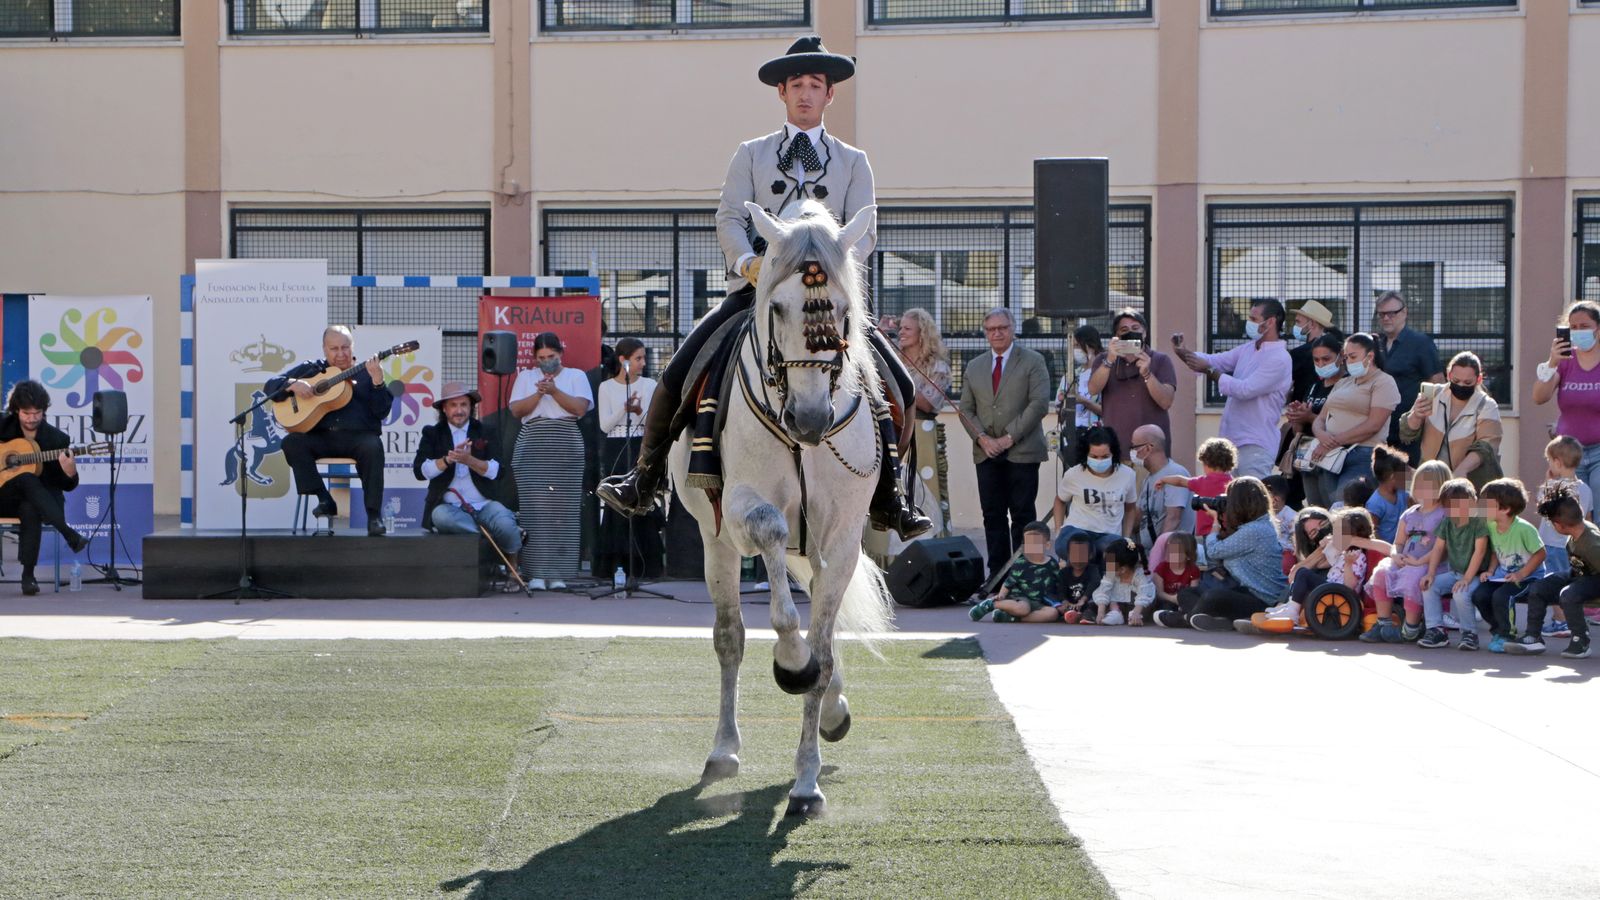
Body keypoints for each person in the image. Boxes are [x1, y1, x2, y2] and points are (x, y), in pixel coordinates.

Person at [596, 35, 930, 541]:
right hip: (756, 294)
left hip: (826, 300)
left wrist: (833, 278)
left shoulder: (853, 161)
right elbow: (729, 217)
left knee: (898, 385)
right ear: (781, 92)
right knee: (679, 372)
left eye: (815, 85)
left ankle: (891, 497)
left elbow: (866, 233)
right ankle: (644, 478)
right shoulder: (750, 154)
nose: (805, 94)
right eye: (796, 85)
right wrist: (749, 263)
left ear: (829, 95)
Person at [264, 325, 394, 536]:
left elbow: (382, 412)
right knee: (292, 442)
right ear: (324, 349)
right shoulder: (313, 370)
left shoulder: (368, 372)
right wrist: (292, 384)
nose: (341, 354)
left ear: (353, 347)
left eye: (345, 347)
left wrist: (378, 382)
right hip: (321, 437)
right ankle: (324, 499)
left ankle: (373, 516)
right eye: (334, 349)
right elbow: (270, 386)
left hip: (358, 438)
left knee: (373, 447)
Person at [961, 306, 1052, 582]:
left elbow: (1039, 404)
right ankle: (997, 575)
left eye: (1002, 328)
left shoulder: (1033, 360)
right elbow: (966, 409)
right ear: (985, 333)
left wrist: (1008, 437)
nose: (997, 333)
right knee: (993, 515)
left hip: (1022, 451)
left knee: (1023, 515)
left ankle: (1028, 573)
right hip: (986, 452)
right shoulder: (974, 366)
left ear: (1013, 329)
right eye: (991, 329)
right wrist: (983, 438)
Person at [508, 331, 594, 591]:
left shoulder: (576, 376)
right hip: (534, 443)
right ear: (534, 358)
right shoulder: (526, 377)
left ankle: (559, 571)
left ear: (561, 354)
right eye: (541, 357)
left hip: (565, 443)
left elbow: (580, 408)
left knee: (563, 511)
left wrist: (554, 391)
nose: (546, 361)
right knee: (535, 511)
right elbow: (516, 410)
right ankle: (535, 571)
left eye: (551, 356)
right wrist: (539, 394)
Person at [1173, 298, 1293, 479]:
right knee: (1228, 503)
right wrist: (1184, 352)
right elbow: (1215, 361)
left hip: (1255, 445)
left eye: (1254, 319)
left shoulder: (1280, 358)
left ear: (1270, 322)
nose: (1249, 323)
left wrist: (1209, 370)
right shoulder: (1248, 348)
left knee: (1251, 504)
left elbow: (1245, 390)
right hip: (1231, 442)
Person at [1154, 477, 1288, 631]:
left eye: (1231, 499)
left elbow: (1214, 551)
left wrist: (1215, 525)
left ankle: (1185, 618)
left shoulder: (1254, 530)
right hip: (1243, 590)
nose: (1228, 505)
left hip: (1262, 599)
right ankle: (1215, 620)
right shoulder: (1255, 525)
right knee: (1186, 593)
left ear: (1241, 502)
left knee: (1213, 596)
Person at [0, 381, 88, 595]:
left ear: (44, 411)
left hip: (39, 503)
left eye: (37, 413)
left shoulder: (56, 439)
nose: (32, 418)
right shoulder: (2, 426)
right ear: (16, 411)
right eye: (26, 413)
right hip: (3, 497)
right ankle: (69, 534)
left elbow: (66, 486)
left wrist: (70, 472)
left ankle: (28, 576)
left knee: (30, 504)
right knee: (26, 478)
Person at [412, 381, 520, 557]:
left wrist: (469, 460)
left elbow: (498, 471)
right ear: (444, 409)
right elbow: (420, 471)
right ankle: (489, 540)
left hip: (485, 503)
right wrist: (448, 460)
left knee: (507, 526)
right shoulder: (432, 433)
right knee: (441, 517)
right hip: (450, 507)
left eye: (464, 405)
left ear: (471, 408)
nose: (459, 410)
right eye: (453, 405)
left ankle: (512, 570)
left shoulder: (486, 431)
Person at [594, 339, 664, 579]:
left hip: (640, 446)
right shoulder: (606, 387)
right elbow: (604, 425)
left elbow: (654, 421)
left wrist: (638, 412)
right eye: (638, 359)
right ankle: (615, 564)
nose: (643, 363)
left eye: (644, 358)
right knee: (616, 502)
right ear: (623, 361)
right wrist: (624, 409)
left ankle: (646, 565)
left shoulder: (649, 384)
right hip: (616, 445)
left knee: (641, 499)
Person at [1360, 461, 1449, 644]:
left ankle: (1411, 627)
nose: (1423, 488)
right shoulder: (1409, 514)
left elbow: (1442, 548)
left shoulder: (1444, 514)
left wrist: (1418, 562)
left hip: (1431, 564)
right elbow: (1398, 542)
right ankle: (1383, 623)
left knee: (1412, 576)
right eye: (1420, 484)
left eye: (1429, 485)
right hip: (1406, 561)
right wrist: (1395, 555)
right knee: (1381, 572)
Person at [1307, 334, 1400, 504]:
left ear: (1370, 356)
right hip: (1329, 454)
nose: (1348, 361)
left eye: (1353, 356)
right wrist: (1321, 435)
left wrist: (1332, 441)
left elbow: (1373, 425)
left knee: (1345, 507)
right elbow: (1320, 419)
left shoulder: (1384, 382)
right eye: (1346, 357)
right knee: (1323, 510)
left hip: (1361, 454)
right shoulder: (1343, 383)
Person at [1508, 484, 1598, 658]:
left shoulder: (1592, 544)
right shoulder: (1577, 528)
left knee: (1568, 595)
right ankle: (1533, 637)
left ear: (1559, 525)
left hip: (1595, 579)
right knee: (1539, 588)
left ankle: (1581, 641)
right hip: (1580, 574)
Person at [1398, 351, 1502, 491]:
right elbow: (1406, 434)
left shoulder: (1487, 405)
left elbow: (1486, 446)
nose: (1461, 386)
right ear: (1448, 375)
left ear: (1479, 380)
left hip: (1467, 486)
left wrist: (1461, 471)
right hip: (1430, 483)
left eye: (1468, 382)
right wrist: (1416, 415)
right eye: (1456, 381)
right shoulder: (1433, 394)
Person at [1469, 478, 1547, 654]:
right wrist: (1490, 571)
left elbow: (1541, 553)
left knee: (1502, 596)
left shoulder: (1524, 529)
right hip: (1503, 575)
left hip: (1529, 577)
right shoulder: (1491, 525)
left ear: (1504, 509)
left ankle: (1507, 635)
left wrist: (1521, 574)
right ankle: (1498, 630)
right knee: (1480, 595)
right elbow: (1497, 551)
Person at [1534, 300, 1600, 505]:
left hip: (1599, 451)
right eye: (1573, 327)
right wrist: (1552, 362)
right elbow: (1539, 396)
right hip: (1569, 454)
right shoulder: (1565, 361)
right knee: (1570, 514)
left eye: (1585, 327)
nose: (1578, 332)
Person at [1084, 309, 1177, 453]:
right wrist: (1109, 361)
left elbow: (1166, 401)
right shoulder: (1103, 360)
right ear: (1117, 336)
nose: (1130, 333)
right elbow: (1092, 389)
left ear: (1144, 332)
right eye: (1124, 329)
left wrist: (1147, 374)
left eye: (1135, 328)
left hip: (1151, 453)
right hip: (1116, 450)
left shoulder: (1160, 360)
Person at [897, 307, 953, 537]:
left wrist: (897, 381)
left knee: (923, 493)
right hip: (895, 433)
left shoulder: (937, 367)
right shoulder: (895, 360)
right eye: (900, 327)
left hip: (921, 435)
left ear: (922, 333)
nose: (901, 332)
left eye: (907, 328)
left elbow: (928, 402)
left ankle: (930, 542)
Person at [1372, 291, 1444, 465]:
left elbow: (1438, 383)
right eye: (1382, 314)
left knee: (1407, 483)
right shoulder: (1375, 343)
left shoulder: (1420, 343)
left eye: (1392, 313)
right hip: (1379, 430)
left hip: (1410, 432)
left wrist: (1428, 423)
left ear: (1404, 312)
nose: (1386, 318)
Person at [1418, 479, 1491, 650]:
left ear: (1472, 501)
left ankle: (1469, 634)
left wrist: (1466, 579)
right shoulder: (1447, 523)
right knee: (1429, 586)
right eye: (1450, 506)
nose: (1455, 510)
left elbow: (1479, 552)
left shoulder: (1479, 522)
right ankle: (1435, 630)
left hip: (1476, 575)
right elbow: (1437, 549)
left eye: (1461, 504)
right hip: (1456, 573)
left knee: (1460, 593)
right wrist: (1431, 573)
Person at [1533, 436, 1592, 642]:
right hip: (1572, 545)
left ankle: (1561, 621)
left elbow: (1541, 508)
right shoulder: (1584, 488)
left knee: (1551, 581)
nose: (1548, 465)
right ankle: (1565, 619)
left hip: (1551, 544)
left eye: (1549, 461)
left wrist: (1547, 482)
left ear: (1557, 462)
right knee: (1566, 579)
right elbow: (1588, 518)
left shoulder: (1553, 488)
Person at [1050, 425, 1138, 560]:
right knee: (1077, 547)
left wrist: (1125, 537)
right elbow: (1060, 500)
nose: (1099, 461)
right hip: (1077, 529)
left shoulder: (1128, 475)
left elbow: (1130, 508)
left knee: (1115, 553)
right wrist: (1058, 530)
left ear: (1113, 453)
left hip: (1109, 534)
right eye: (1094, 456)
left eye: (1105, 456)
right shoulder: (1074, 474)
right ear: (1086, 454)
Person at [1283, 334, 1345, 508]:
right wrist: (1297, 417)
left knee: (1332, 508)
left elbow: (1341, 423)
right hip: (1308, 455)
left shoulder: (1347, 385)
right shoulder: (1314, 386)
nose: (1321, 364)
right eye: (1316, 360)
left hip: (1333, 456)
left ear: (1340, 356)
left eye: (1326, 359)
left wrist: (1310, 417)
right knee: (1315, 509)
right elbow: (1299, 431)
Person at [968, 521, 1061, 624]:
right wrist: (1001, 596)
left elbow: (1057, 582)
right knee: (1023, 609)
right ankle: (992, 604)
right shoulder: (1021, 563)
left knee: (1052, 614)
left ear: (1047, 545)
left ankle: (1009, 618)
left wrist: (1060, 602)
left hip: (1042, 602)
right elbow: (1009, 582)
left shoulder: (1052, 563)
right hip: (1020, 598)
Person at [1154, 437, 1235, 542]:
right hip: (1229, 532)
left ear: (1206, 463)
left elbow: (1180, 481)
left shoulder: (1202, 482)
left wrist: (1163, 479)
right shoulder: (1233, 484)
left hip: (1206, 533)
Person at [1132, 424, 1194, 552]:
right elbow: (1138, 516)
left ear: (1148, 448)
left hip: (1169, 556)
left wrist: (1158, 552)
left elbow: (1173, 519)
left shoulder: (1175, 473)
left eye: (1134, 447)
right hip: (1149, 554)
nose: (1132, 452)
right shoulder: (1148, 479)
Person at [1057, 324, 1104, 470]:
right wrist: (1062, 405)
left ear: (1091, 345)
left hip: (1096, 439)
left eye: (1078, 345)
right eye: (1073, 346)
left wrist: (1083, 401)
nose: (1075, 350)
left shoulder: (1105, 373)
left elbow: (1109, 411)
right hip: (1071, 437)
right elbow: (1060, 415)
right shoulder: (1071, 375)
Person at [1287, 300, 1343, 405]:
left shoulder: (1298, 353)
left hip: (1300, 408)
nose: (1295, 326)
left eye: (1298, 322)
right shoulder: (1336, 350)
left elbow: (1285, 386)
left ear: (1312, 323)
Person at [1091, 538, 1155, 626]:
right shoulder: (1111, 574)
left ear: (1122, 569)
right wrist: (1101, 611)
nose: (1106, 567)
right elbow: (1103, 590)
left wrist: (1136, 612)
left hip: (1137, 607)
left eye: (1109, 564)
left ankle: (1133, 616)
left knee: (1143, 603)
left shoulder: (1140, 576)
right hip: (1117, 605)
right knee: (1099, 599)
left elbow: (1144, 595)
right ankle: (1116, 613)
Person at [1150, 532, 1201, 622]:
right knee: (1165, 607)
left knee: (1193, 606)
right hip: (1166, 599)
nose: (1171, 554)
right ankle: (1174, 618)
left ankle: (1184, 618)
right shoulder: (1162, 568)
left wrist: (1183, 602)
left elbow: (1193, 591)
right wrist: (1174, 599)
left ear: (1188, 556)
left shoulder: (1193, 570)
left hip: (1184, 601)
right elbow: (1159, 593)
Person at [1364, 444, 1410, 545]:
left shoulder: (1403, 494)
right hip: (1385, 551)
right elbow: (1373, 531)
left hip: (1403, 546)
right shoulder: (1375, 503)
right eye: (1404, 474)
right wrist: (1386, 550)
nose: (1408, 476)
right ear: (1393, 477)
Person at [1056, 531, 1104, 624]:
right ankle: (1071, 615)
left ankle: (1086, 616)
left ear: (1090, 555)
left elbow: (1095, 582)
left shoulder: (1093, 569)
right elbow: (1060, 589)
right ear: (1068, 555)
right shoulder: (1064, 572)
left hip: (1087, 603)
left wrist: (1083, 599)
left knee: (1095, 601)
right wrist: (1064, 601)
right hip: (1071, 605)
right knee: (1060, 606)